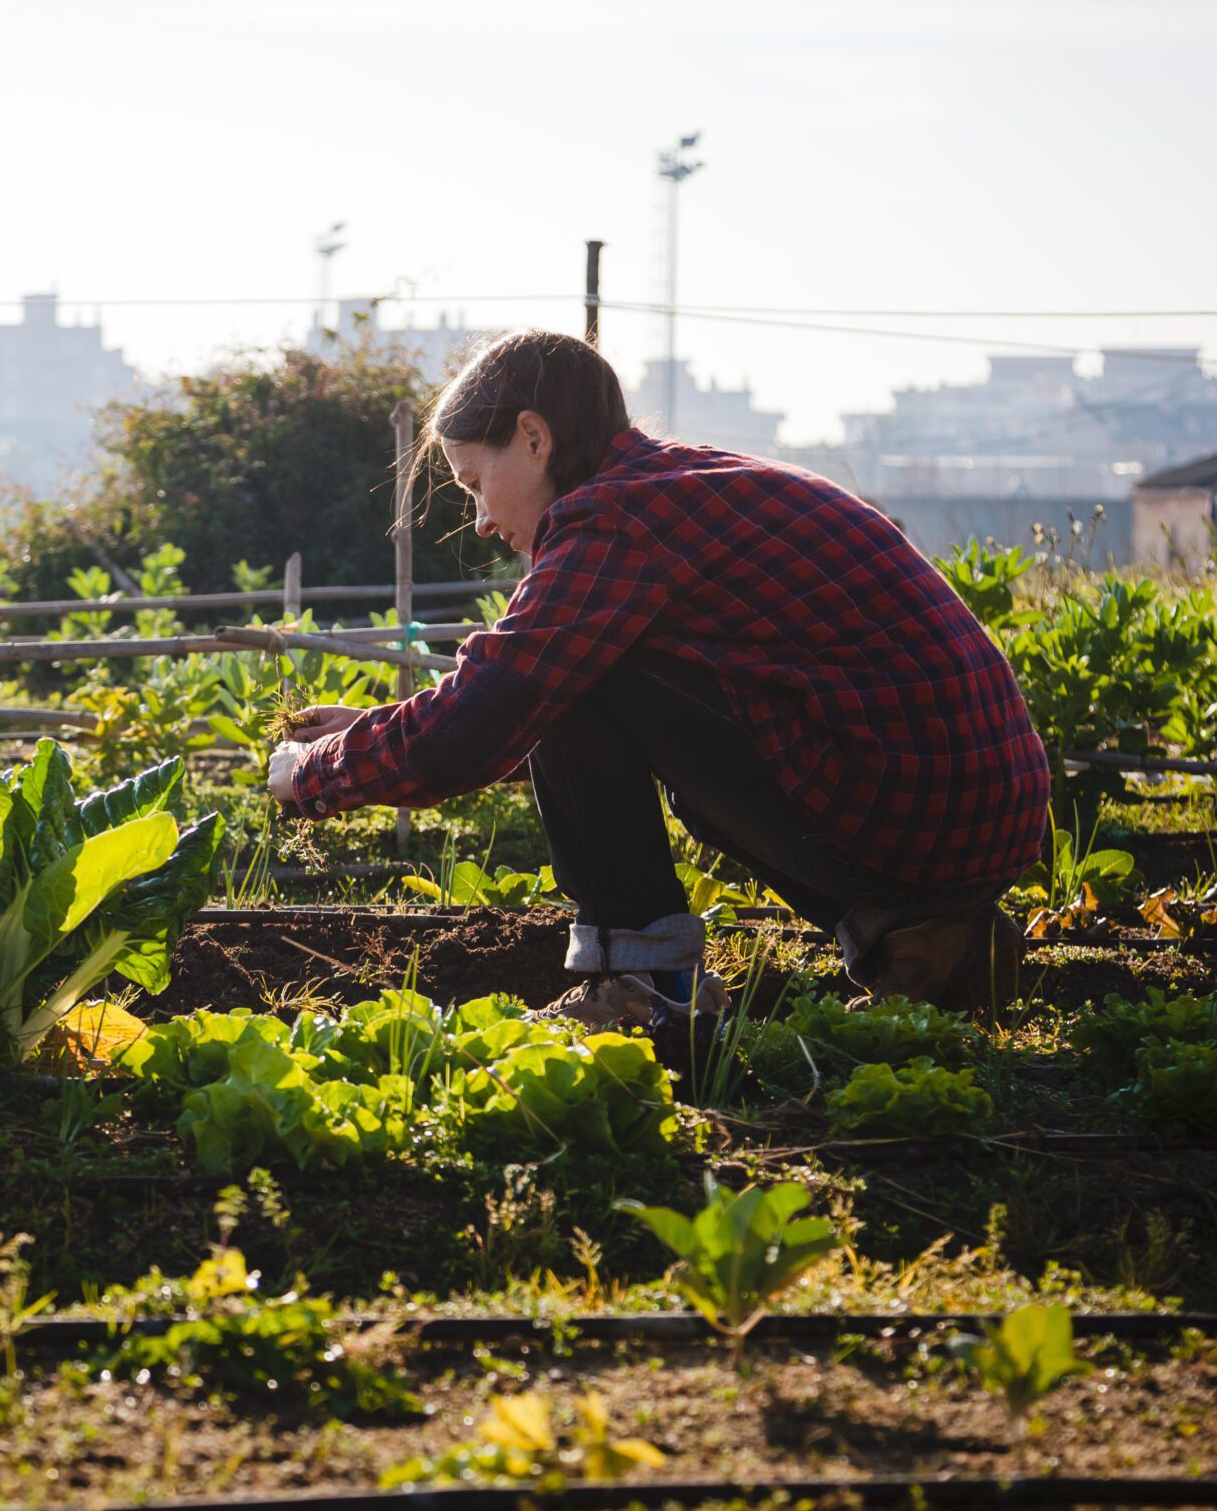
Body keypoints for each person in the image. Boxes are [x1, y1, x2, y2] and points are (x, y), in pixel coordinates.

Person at [266, 328, 1049, 1051]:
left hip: (918, 808)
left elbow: (489, 714)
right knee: (569, 678)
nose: (476, 520)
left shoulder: (614, 519)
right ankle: (934, 934)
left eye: (475, 482)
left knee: (573, 680)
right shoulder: (672, 486)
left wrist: (316, 772)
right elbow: (517, 719)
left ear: (534, 438)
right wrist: (370, 729)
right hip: (970, 815)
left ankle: (645, 987)